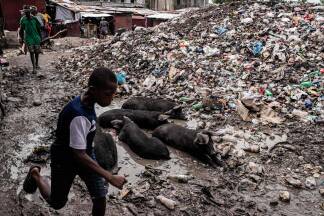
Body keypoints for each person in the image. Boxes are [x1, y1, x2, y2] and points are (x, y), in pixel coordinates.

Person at [23, 67, 127, 216]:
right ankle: (35, 174)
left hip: (85, 153)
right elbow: (78, 154)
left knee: (100, 196)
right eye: (108, 94)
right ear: (93, 90)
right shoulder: (78, 115)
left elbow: (82, 151)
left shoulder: (87, 100)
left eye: (113, 93)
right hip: (65, 159)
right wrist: (110, 177)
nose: (112, 98)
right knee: (57, 202)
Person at [19, 6, 41, 73]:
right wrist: (22, 38)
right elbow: (21, 30)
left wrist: (40, 37)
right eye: (25, 12)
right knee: (31, 52)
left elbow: (38, 28)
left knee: (37, 52)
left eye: (28, 12)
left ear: (30, 12)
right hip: (28, 38)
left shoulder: (34, 19)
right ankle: (34, 68)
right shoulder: (23, 19)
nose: (26, 13)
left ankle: (37, 63)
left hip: (36, 37)